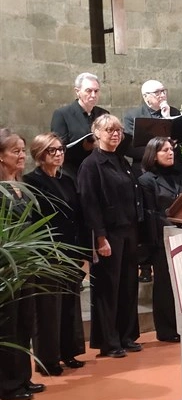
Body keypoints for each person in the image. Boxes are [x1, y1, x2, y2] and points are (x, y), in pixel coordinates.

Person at [77, 114, 144, 359]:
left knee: (128, 285)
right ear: (96, 134)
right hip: (108, 235)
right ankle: (109, 341)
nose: (115, 134)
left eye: (118, 131)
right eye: (109, 130)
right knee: (108, 288)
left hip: (128, 230)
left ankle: (126, 336)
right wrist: (100, 238)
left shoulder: (121, 160)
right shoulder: (90, 165)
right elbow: (90, 204)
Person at [23, 134, 87, 377]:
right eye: (52, 151)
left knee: (69, 305)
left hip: (70, 250)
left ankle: (67, 352)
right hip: (47, 252)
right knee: (48, 309)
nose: (59, 154)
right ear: (40, 154)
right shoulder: (31, 182)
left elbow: (76, 216)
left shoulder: (67, 180)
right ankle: (47, 360)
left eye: (61, 149)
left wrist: (81, 249)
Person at [0, 130, 47, 400]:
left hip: (27, 264)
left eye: (22, 150)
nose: (21, 156)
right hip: (8, 266)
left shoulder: (22, 186)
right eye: (14, 151)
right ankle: (8, 385)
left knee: (25, 322)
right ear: (0, 157)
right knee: (8, 324)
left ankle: (23, 378)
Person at [122, 79, 182, 283]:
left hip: (172, 170)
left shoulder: (172, 110)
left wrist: (169, 119)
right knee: (146, 217)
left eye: (164, 91)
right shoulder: (133, 115)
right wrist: (155, 149)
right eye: (157, 92)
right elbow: (129, 147)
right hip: (145, 171)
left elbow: (181, 141)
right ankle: (145, 265)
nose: (162, 95)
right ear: (146, 96)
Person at [138, 137, 182, 342]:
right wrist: (172, 228)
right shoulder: (146, 180)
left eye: (171, 149)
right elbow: (151, 213)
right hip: (162, 238)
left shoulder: (179, 176)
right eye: (165, 150)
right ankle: (167, 329)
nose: (170, 153)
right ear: (153, 154)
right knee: (165, 286)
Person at [50, 72, 109, 178]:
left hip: (101, 169)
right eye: (88, 91)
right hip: (75, 171)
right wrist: (85, 147)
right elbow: (58, 148)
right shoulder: (62, 114)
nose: (93, 95)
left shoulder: (103, 114)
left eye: (96, 91)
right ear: (77, 92)